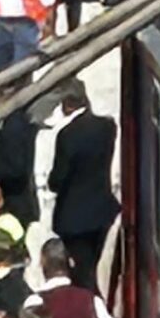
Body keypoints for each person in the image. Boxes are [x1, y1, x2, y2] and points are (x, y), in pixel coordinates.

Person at [46, 86, 120, 286]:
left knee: (82, 274)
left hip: (74, 218)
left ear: (67, 104)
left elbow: (57, 179)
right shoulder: (107, 127)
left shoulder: (67, 135)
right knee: (90, 267)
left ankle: (88, 309)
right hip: (101, 211)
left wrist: (52, 182)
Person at [0, 97, 41, 229]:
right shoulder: (19, 121)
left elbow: (14, 168)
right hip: (17, 203)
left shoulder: (13, 125)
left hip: (12, 207)